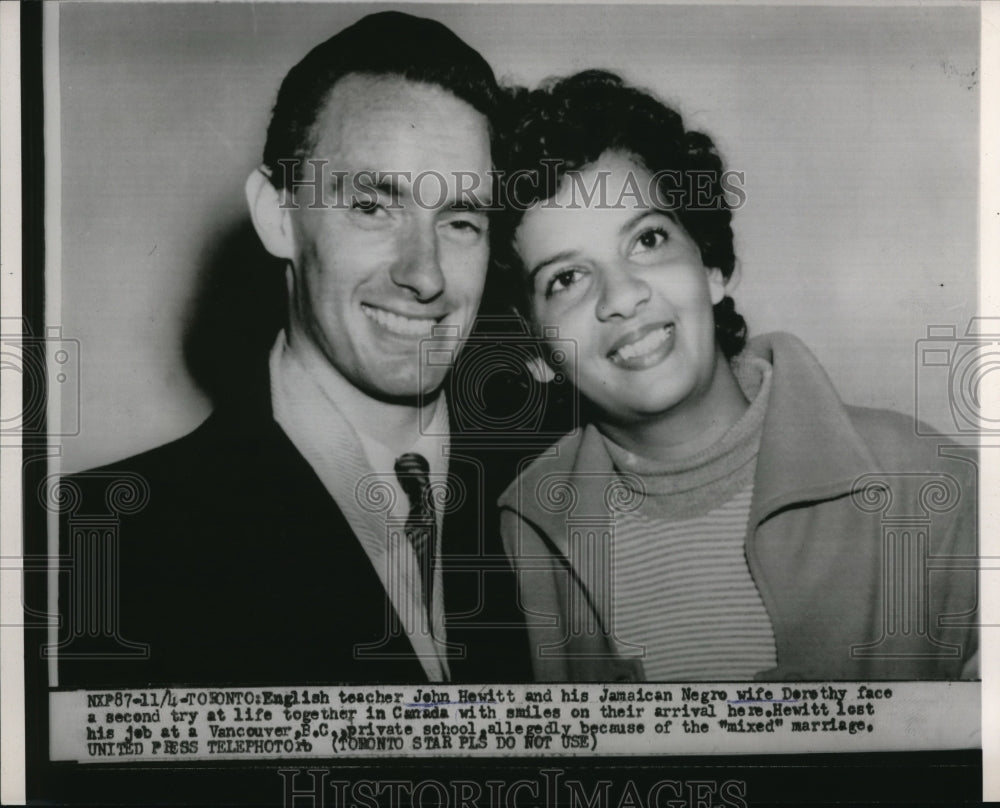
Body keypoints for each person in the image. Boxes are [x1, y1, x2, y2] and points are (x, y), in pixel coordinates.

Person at [56, 11, 531, 687]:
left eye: (460, 220)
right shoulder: (100, 548)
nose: (424, 274)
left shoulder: (560, 497)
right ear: (277, 215)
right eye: (373, 206)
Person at [494, 71, 978, 681]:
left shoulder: (931, 482)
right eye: (565, 278)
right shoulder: (524, 534)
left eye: (647, 239)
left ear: (712, 266)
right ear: (537, 348)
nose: (621, 295)